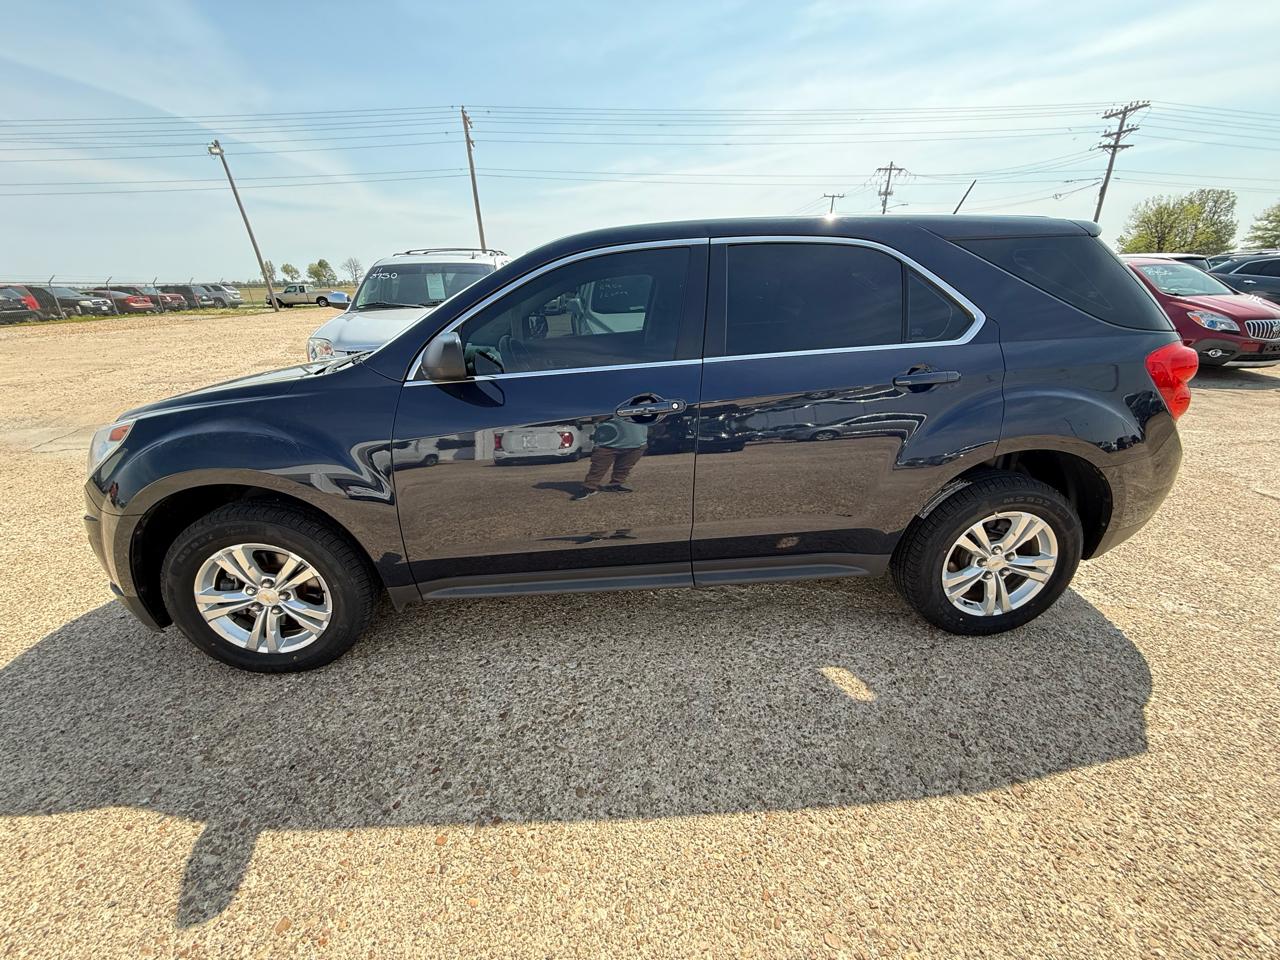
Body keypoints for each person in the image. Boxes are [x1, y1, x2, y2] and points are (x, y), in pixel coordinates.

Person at [572, 417, 649, 501]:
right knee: (597, 468)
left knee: (624, 467)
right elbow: (596, 417)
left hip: (637, 442)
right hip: (607, 443)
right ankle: (589, 487)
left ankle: (615, 484)